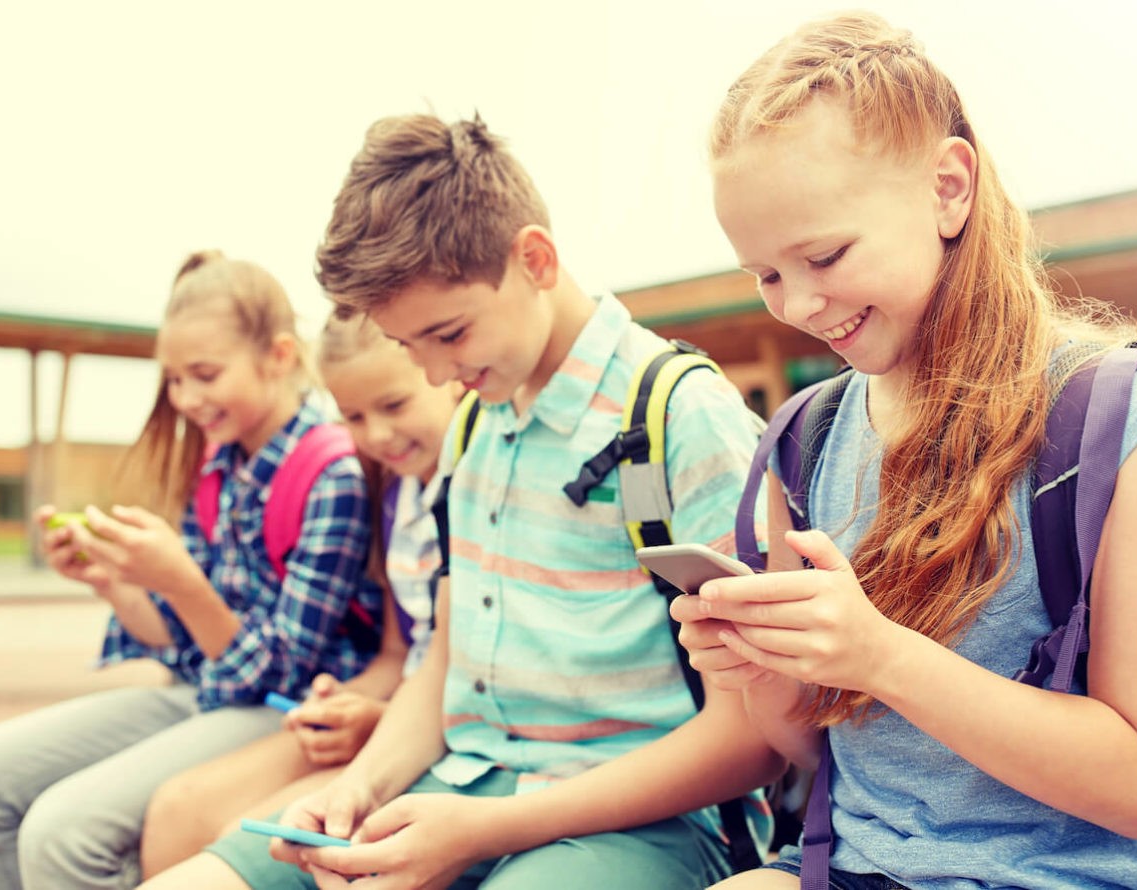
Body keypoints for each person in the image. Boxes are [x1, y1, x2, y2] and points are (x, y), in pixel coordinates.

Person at [671, 12, 1137, 890]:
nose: (800, 305)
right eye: (767, 275)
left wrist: (879, 654)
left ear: (949, 187)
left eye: (824, 254)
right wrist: (769, 674)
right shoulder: (803, 441)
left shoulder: (1128, 426)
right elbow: (811, 752)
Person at [241, 112, 785, 890]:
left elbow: (754, 740)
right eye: (407, 347)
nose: (433, 375)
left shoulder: (678, 415)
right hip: (458, 787)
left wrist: (480, 832)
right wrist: (356, 791)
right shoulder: (473, 421)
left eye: (450, 333)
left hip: (644, 825)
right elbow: (446, 660)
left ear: (534, 259)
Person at [0, 250, 380, 890]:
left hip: (286, 708)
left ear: (279, 357)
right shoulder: (215, 468)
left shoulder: (331, 474)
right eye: (175, 380)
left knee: (62, 833)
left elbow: (281, 670)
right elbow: (176, 640)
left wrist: (180, 579)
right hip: (201, 691)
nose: (186, 398)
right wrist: (113, 581)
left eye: (204, 374)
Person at [137, 308, 463, 881]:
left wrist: (379, 717)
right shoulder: (393, 493)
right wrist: (345, 702)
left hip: (440, 730)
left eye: (394, 405)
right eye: (354, 417)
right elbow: (396, 654)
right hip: (392, 715)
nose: (375, 435)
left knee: (240, 833)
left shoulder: (467, 490)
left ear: (449, 374)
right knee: (177, 810)